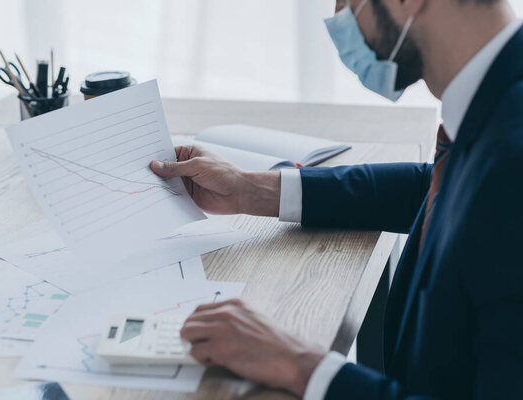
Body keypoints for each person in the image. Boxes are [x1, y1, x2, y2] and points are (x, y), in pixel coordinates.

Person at [150, 0, 523, 398]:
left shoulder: (513, 160)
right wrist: (253, 190)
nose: (340, 15)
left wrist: (302, 366)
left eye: (347, 2)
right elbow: (439, 190)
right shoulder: (500, 104)